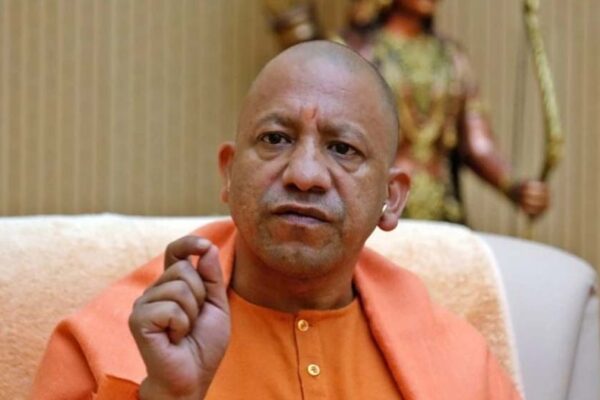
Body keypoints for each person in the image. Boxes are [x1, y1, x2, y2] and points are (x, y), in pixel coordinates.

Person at [31, 41, 520, 399]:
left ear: (391, 200)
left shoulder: (462, 367)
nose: (304, 175)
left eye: (342, 148)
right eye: (275, 139)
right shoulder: (106, 346)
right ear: (228, 172)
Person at [264, 0, 550, 222]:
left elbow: (477, 143)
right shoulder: (353, 50)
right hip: (377, 208)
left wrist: (514, 186)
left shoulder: (452, 58)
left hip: (442, 211)